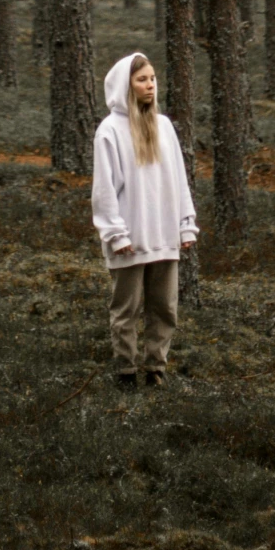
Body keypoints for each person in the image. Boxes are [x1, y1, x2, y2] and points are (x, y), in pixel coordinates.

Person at [90, 52, 197, 388]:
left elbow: (179, 179)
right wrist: (116, 234)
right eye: (142, 80)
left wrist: (185, 223)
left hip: (164, 236)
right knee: (126, 310)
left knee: (165, 308)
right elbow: (104, 189)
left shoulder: (163, 125)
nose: (150, 85)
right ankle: (125, 371)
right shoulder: (109, 130)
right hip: (130, 238)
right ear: (126, 85)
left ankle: (155, 370)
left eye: (152, 78)